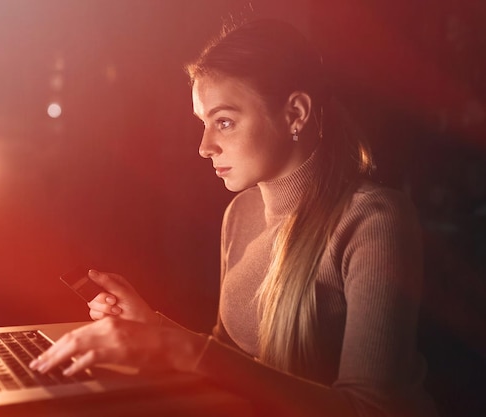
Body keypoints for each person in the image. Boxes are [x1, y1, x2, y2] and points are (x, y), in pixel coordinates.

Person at [30, 19, 438, 417]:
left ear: (295, 112)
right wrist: (153, 328)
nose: (205, 147)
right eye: (204, 124)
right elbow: (235, 364)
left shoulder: (375, 221)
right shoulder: (241, 213)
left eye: (224, 122)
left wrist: (177, 349)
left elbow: (372, 409)